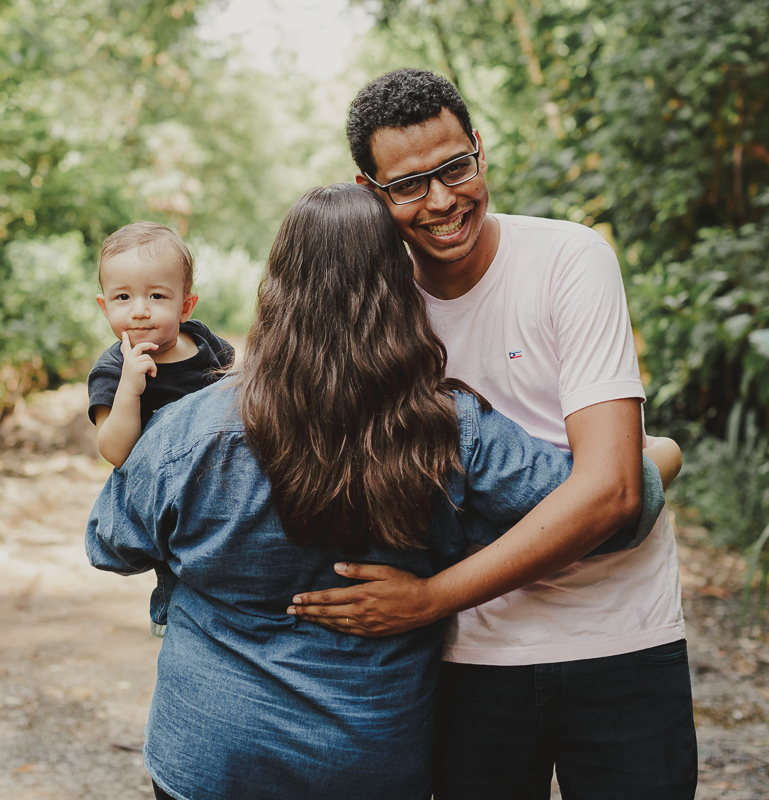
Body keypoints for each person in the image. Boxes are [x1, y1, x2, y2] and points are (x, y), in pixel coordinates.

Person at [86, 184, 678, 800]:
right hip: (367, 755)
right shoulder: (451, 429)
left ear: (278, 286)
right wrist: (660, 456)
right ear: (398, 284)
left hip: (213, 749)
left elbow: (112, 545)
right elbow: (605, 512)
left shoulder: (189, 430)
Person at [289, 69, 698, 799]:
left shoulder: (569, 259)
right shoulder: (377, 310)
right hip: (464, 662)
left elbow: (610, 492)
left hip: (619, 637)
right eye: (410, 184)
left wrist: (429, 596)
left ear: (479, 149)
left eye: (455, 167)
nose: (443, 200)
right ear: (370, 190)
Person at [88, 220, 234, 635]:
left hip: (212, 470)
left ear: (186, 306)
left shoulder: (204, 344)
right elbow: (115, 451)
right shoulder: (113, 370)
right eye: (123, 297)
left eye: (156, 295)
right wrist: (130, 389)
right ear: (104, 307)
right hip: (157, 491)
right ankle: (171, 612)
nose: (139, 309)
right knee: (178, 558)